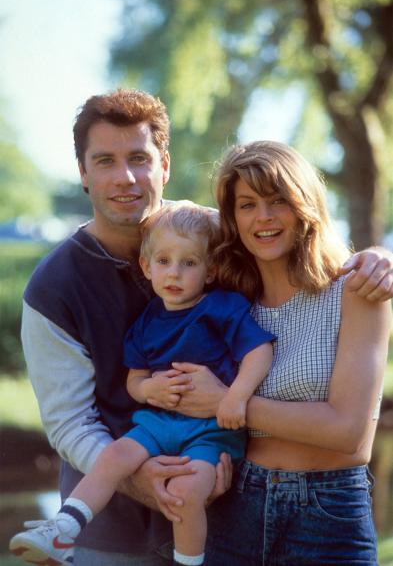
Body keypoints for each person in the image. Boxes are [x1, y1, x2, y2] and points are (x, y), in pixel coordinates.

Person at [9, 88, 393, 566]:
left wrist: (378, 256)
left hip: (233, 501)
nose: (125, 177)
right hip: (118, 532)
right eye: (105, 161)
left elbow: (295, 241)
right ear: (83, 173)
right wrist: (142, 474)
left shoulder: (217, 241)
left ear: (164, 166)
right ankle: (65, 528)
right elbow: (70, 422)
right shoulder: (54, 287)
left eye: (139, 158)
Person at [10, 201, 274, 566]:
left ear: (210, 270)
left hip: (210, 431)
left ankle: (189, 561)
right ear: (147, 268)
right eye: (164, 261)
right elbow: (135, 380)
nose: (175, 273)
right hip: (158, 423)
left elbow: (259, 350)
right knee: (115, 455)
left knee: (185, 494)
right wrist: (149, 390)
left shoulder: (222, 307)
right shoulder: (149, 319)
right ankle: (62, 528)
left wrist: (236, 398)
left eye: (189, 263)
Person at [173, 140, 390, 566]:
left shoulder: (356, 291)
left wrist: (228, 403)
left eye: (278, 201)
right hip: (234, 504)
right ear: (233, 219)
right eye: (247, 204)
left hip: (329, 514)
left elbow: (349, 432)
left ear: (304, 205)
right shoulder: (227, 301)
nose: (264, 217)